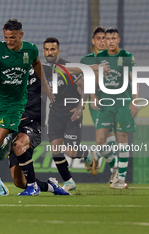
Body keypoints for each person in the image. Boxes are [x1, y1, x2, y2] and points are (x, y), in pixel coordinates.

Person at [0, 19, 53, 196]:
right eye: (6, 37)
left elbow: (37, 63)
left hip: (14, 104)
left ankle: (5, 139)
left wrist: (44, 84)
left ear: (21, 35)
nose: (9, 41)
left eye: (13, 38)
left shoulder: (30, 50)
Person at [0, 65, 69, 196]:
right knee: (20, 182)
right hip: (16, 127)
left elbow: (68, 70)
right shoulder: (8, 78)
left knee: (19, 145)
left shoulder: (40, 71)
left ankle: (33, 187)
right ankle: (51, 186)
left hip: (35, 123)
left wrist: (93, 68)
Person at [93, 27, 138, 189]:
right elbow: (96, 77)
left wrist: (135, 101)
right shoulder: (100, 56)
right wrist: (93, 96)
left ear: (118, 40)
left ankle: (120, 179)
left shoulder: (126, 57)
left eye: (113, 38)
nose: (110, 42)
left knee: (122, 138)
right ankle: (97, 154)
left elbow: (135, 79)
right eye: (107, 38)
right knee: (100, 140)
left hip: (123, 103)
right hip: (105, 103)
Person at [42, 37, 87, 192]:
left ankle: (88, 154)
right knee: (55, 149)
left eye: (53, 49)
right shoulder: (44, 70)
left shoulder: (68, 67)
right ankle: (68, 181)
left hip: (71, 112)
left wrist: (81, 107)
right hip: (55, 113)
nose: (49, 52)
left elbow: (84, 85)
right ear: (43, 51)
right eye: (47, 49)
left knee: (70, 152)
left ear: (58, 51)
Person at [80, 27, 118, 183]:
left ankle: (97, 156)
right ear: (93, 41)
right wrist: (93, 95)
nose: (102, 41)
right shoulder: (87, 59)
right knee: (103, 141)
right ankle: (115, 169)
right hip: (97, 102)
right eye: (99, 38)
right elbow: (85, 78)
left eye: (105, 38)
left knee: (111, 139)